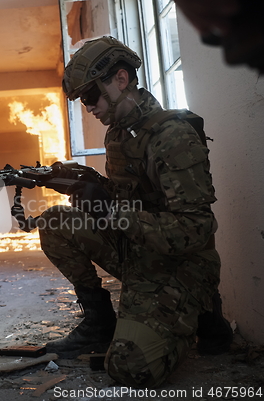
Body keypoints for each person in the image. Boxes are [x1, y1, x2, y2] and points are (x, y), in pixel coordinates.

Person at [37, 36, 232, 388]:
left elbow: (196, 229)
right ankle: (99, 323)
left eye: (91, 96)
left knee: (129, 368)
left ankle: (200, 314)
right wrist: (83, 183)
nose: (88, 107)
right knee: (54, 221)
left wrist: (111, 211)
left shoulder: (172, 136)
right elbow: (129, 196)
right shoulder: (118, 135)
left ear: (121, 80)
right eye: (83, 100)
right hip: (139, 249)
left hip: (180, 265)